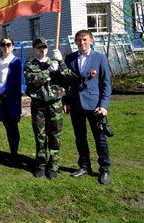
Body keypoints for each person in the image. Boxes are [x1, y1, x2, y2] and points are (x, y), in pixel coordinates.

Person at [64, 30, 112, 185]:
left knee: (100, 138)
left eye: (84, 40)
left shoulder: (99, 58)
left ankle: (104, 169)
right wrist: (65, 101)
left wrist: (104, 105)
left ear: (91, 41)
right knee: (80, 137)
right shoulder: (70, 59)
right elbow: (65, 83)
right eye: (78, 40)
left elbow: (106, 84)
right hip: (76, 104)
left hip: (95, 106)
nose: (81, 43)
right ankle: (84, 166)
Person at [25, 37, 72, 179]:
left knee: (55, 135)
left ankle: (54, 167)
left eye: (44, 47)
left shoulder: (56, 62)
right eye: (38, 47)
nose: (42, 50)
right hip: (38, 105)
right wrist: (48, 71)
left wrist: (61, 62)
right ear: (34, 49)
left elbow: (69, 78)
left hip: (54, 104)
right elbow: (32, 81)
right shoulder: (30, 65)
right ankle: (40, 165)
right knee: (40, 136)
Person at [0, 37, 22, 165]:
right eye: (3, 44)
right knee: (7, 127)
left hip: (10, 100)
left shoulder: (16, 61)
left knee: (13, 128)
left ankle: (14, 155)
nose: (6, 46)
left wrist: (0, 91)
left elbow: (14, 80)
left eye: (8, 44)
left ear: (12, 46)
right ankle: (11, 153)